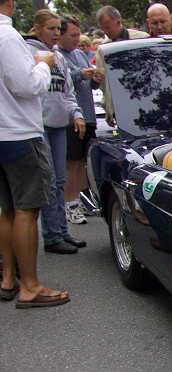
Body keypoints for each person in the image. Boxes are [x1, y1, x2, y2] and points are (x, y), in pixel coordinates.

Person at [0, 0, 70, 307]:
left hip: (2, 134)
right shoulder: (8, 36)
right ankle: (29, 285)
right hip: (19, 133)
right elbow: (27, 85)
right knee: (27, 210)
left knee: (9, 209)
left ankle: (8, 278)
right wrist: (44, 63)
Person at [25, 9, 87, 255]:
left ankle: (61, 230)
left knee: (60, 180)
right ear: (38, 28)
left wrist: (77, 113)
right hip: (40, 125)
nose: (55, 33)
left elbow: (68, 92)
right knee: (49, 181)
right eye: (50, 29)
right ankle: (51, 236)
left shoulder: (59, 58)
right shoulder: (29, 53)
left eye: (57, 29)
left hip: (60, 124)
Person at [57, 14, 104, 225]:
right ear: (61, 34)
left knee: (84, 162)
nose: (77, 39)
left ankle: (83, 199)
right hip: (71, 119)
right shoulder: (57, 56)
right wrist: (79, 75)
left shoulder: (80, 54)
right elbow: (65, 81)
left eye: (79, 34)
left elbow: (90, 86)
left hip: (89, 115)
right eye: (72, 35)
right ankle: (70, 204)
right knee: (71, 163)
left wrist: (95, 79)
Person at [95, 5, 147, 126]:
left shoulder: (141, 39)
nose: (105, 32)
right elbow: (103, 84)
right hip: (120, 109)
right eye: (103, 29)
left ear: (118, 22)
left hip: (144, 102)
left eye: (108, 28)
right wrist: (108, 108)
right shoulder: (103, 49)